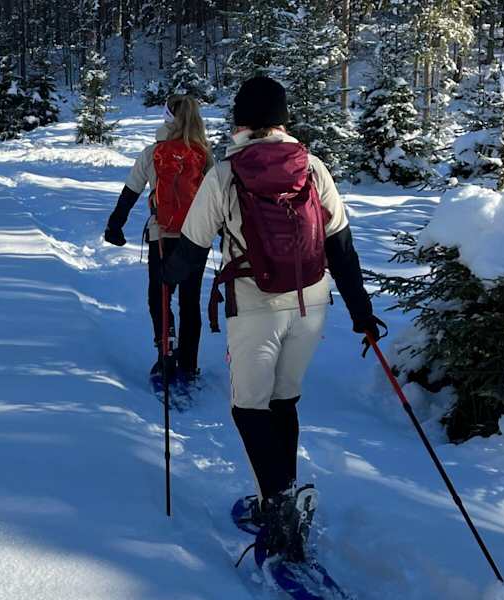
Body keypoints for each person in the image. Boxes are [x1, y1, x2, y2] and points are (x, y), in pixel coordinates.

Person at [162, 76, 382, 562]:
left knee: (247, 407)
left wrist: (167, 280)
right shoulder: (313, 168)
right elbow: (341, 247)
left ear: (241, 121)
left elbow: (192, 250)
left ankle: (281, 505)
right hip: (313, 303)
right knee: (284, 401)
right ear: (283, 120)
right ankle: (277, 497)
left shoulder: (226, 173)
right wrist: (363, 315)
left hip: (255, 306)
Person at [104, 95, 214, 394]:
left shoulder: (153, 153)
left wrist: (115, 225)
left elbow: (131, 191)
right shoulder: (204, 154)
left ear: (167, 118)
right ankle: (189, 364)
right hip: (196, 238)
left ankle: (165, 354)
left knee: (160, 296)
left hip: (162, 236)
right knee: (190, 302)